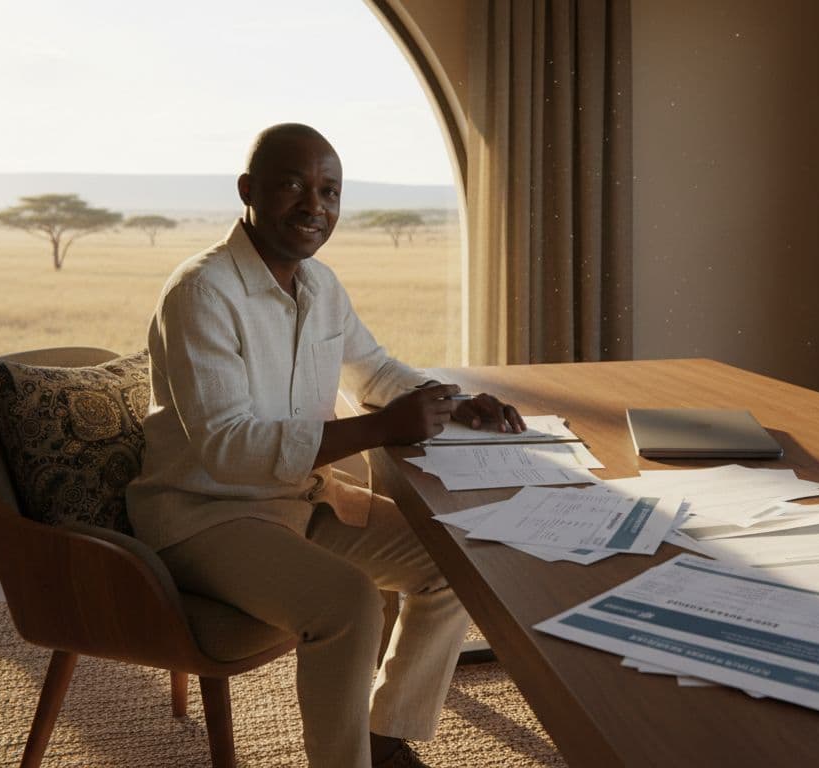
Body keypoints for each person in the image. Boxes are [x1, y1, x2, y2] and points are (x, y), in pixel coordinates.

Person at [126, 122, 526, 768]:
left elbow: (375, 371)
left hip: (296, 503)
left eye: (329, 191)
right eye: (293, 186)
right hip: (204, 517)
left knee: (455, 561)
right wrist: (379, 429)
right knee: (349, 603)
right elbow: (227, 447)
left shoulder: (320, 286)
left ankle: (384, 739)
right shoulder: (202, 291)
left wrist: (450, 401)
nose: (314, 205)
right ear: (248, 190)